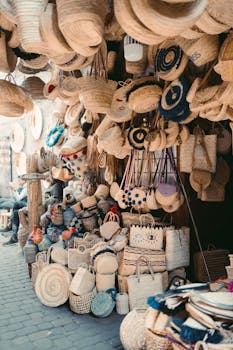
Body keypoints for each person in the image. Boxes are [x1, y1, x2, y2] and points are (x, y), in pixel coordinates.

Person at [0, 177, 27, 245]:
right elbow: (14, 197)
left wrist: (14, 189)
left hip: (26, 205)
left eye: (19, 180)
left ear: (24, 181)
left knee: (15, 203)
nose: (18, 181)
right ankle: (14, 235)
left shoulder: (26, 187)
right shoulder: (21, 187)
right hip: (19, 205)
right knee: (15, 212)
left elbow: (18, 199)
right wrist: (12, 190)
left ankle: (9, 226)